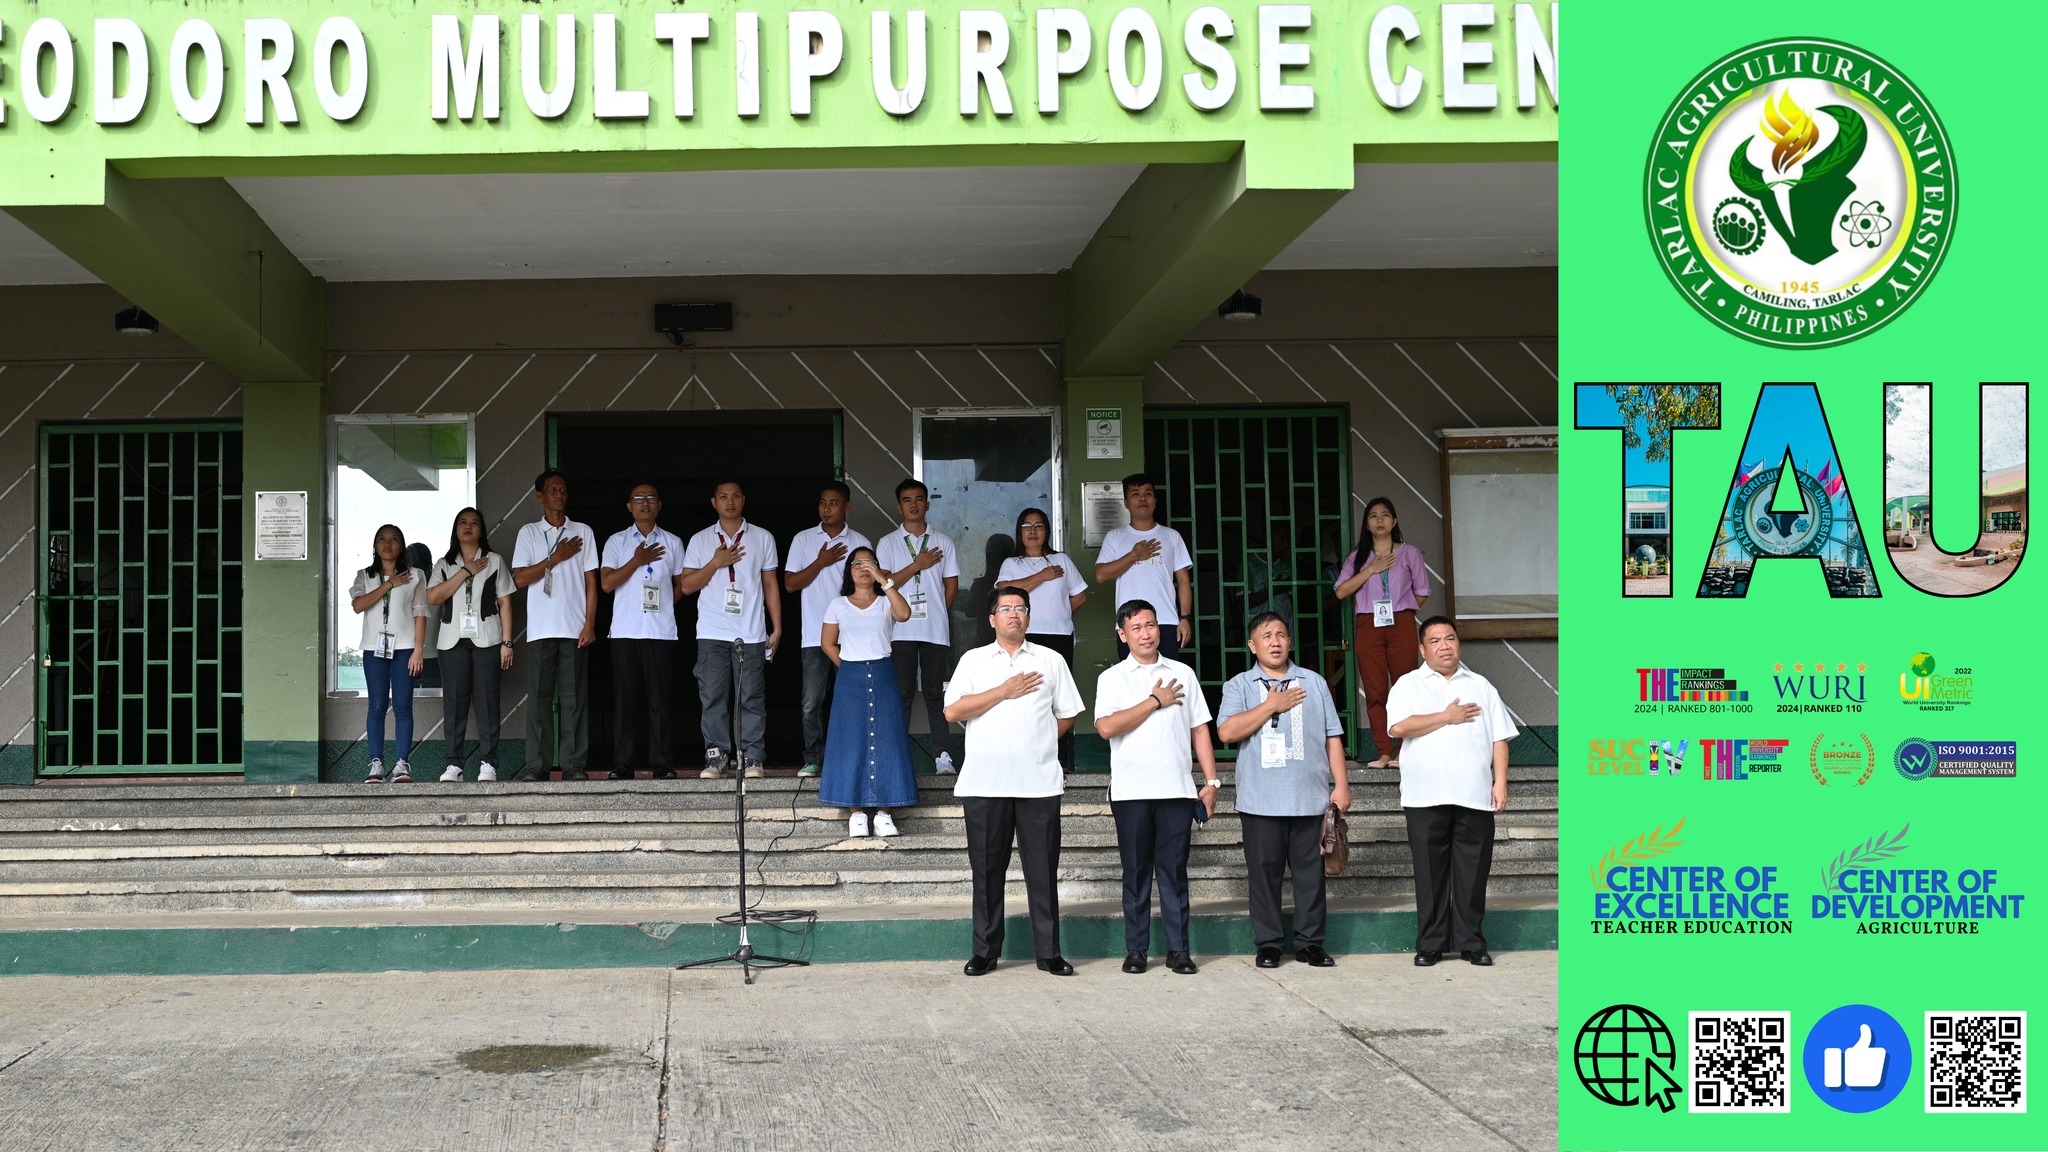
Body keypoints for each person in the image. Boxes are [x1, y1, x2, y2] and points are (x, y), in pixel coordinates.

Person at [944, 587, 1084, 977]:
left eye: (1021, 609)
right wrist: (1003, 691)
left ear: (1029, 617)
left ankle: (1049, 953)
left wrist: (1038, 741)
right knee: (987, 872)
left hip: (1038, 784)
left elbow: (1069, 714)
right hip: (984, 785)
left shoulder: (1050, 660)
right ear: (992, 619)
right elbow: (953, 709)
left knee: (1042, 872)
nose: (1013, 615)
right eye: (1005, 609)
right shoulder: (973, 661)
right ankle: (985, 952)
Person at [1216, 612, 1351, 968]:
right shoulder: (1240, 685)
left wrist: (1342, 785)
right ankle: (1270, 944)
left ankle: (1310, 943)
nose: (1274, 642)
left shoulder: (1314, 682)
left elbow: (1332, 737)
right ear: (1252, 646)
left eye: (1280, 635)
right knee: (1264, 876)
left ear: (1289, 642)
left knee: (1311, 876)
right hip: (1261, 800)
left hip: (1310, 798)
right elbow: (1227, 733)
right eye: (1266, 636)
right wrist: (1269, 706)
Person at [1092, 600, 1218, 976]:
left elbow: (1200, 730)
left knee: (1174, 873)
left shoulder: (1182, 673)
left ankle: (1179, 950)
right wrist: (1153, 701)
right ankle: (1137, 950)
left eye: (1150, 625)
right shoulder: (1112, 678)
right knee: (1136, 873)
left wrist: (1211, 783)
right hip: (1130, 792)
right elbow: (1106, 727)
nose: (1145, 633)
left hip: (1177, 791)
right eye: (1136, 628)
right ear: (1122, 635)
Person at [1387, 616, 1516, 968]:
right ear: (1422, 648)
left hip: (1474, 796)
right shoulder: (1408, 684)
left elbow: (1498, 738)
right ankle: (1430, 944)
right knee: (1430, 876)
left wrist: (1500, 781)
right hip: (1424, 798)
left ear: (1459, 644)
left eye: (1450, 639)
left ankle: (1472, 943)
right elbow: (1398, 726)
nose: (1444, 646)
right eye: (1435, 641)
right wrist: (1446, 716)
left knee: (1472, 875)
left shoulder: (1481, 685)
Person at [679, 479, 782, 779]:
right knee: (712, 696)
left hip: (750, 631)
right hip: (712, 632)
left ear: (744, 500)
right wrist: (715, 562)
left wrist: (777, 627)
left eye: (735, 496)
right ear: (714, 502)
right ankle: (717, 756)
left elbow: (771, 585)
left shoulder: (762, 537)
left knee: (751, 696)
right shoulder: (700, 540)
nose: (730, 502)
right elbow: (686, 585)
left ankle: (752, 757)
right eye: (723, 497)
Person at [818, 547, 916, 837]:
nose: (862, 568)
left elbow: (905, 614)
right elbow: (828, 644)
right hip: (850, 676)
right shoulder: (837, 604)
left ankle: (885, 812)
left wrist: (884, 580)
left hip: (884, 672)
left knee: (888, 738)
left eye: (868, 563)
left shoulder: (887, 602)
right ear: (849, 571)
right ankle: (856, 813)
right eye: (856, 564)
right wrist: (849, 666)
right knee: (850, 740)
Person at [510, 469, 600, 780]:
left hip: (574, 629)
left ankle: (574, 764)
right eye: (552, 490)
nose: (559, 494)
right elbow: (520, 578)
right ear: (540, 497)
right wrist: (555, 557)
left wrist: (589, 624)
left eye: (562, 489)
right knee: (539, 699)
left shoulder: (584, 532)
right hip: (540, 630)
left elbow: (592, 582)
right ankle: (538, 765)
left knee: (575, 699)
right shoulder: (529, 533)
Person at [599, 482, 688, 780]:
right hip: (625, 631)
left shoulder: (673, 542)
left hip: (661, 631)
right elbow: (607, 583)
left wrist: (661, 605)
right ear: (629, 506)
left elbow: (682, 587)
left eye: (651, 498)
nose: (645, 503)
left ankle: (661, 762)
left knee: (660, 699)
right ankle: (623, 763)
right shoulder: (617, 542)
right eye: (639, 498)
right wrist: (637, 560)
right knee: (624, 699)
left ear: (660, 505)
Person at [1333, 497, 1431, 767]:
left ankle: (1404, 752)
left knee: (1405, 686)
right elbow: (1341, 591)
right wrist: (1371, 570)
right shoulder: (1358, 557)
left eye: (1385, 515)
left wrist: (1404, 609)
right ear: (1366, 523)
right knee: (1375, 690)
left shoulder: (1409, 553)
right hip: (1368, 624)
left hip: (1400, 623)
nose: (1379, 520)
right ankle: (1384, 752)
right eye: (1373, 516)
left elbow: (1422, 592)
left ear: (1394, 521)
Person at [783, 482, 871, 778]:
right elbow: (790, 584)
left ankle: (850, 758)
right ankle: (814, 759)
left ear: (847, 507)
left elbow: (870, 587)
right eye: (822, 502)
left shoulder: (859, 542)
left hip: (854, 637)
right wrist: (820, 562)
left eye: (834, 503)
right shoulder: (804, 539)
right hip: (814, 637)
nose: (826, 508)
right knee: (811, 702)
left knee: (851, 700)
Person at [877, 478, 962, 774]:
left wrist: (936, 613)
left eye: (919, 499)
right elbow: (885, 584)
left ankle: (943, 756)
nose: (913, 505)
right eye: (907, 500)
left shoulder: (944, 541)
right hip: (900, 630)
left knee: (935, 693)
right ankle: (898, 755)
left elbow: (952, 587)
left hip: (934, 631)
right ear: (899, 506)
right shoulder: (888, 542)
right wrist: (918, 564)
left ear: (927, 504)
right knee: (901, 692)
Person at [995, 507, 1088, 769]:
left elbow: (1079, 596)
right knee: (1027, 694)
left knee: (1057, 697)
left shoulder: (1062, 560)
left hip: (1059, 635)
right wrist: (1042, 576)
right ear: (1019, 531)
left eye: (1038, 525)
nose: (1033, 531)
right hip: (1025, 636)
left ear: (1047, 530)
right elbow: (1005, 590)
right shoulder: (1012, 563)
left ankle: (1058, 758)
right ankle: (1024, 754)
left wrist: (1058, 613)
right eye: (1027, 526)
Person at [425, 508, 514, 782]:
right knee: (454, 702)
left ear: (482, 530)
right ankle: (454, 764)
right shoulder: (443, 563)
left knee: (488, 701)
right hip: (451, 641)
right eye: (463, 523)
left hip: (488, 638)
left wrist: (507, 642)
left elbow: (505, 603)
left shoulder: (495, 561)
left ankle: (488, 763)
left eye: (474, 523)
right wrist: (465, 571)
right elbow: (433, 597)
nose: (468, 527)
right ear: (455, 529)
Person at [349, 524, 428, 783]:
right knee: (377, 706)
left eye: (394, 539)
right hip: (374, 648)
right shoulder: (364, 575)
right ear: (374, 545)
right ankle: (377, 764)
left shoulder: (416, 575)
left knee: (403, 706)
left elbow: (420, 613)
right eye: (381, 539)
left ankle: (402, 764)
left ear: (401, 545)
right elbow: (359, 605)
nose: (387, 543)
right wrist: (390, 584)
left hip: (405, 648)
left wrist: (419, 650)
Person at [1094, 473, 1193, 661]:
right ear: (1126, 503)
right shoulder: (1115, 537)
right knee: (1133, 682)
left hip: (1166, 621)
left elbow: (1183, 580)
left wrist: (1185, 619)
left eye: (1148, 493)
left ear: (1155, 501)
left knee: (1168, 679)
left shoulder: (1172, 536)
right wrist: (1134, 555)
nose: (1142, 498)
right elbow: (1100, 575)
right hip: (1130, 623)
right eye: (1135, 494)